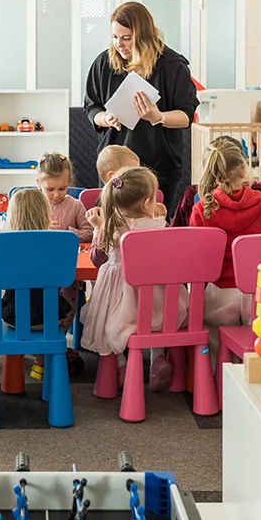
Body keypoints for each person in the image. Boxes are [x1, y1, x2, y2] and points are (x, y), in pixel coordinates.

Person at [83, 2, 199, 214]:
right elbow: (91, 107)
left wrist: (158, 116)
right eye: (114, 37)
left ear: (144, 34)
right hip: (115, 166)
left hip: (158, 165)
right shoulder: (104, 63)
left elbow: (186, 115)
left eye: (126, 38)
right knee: (112, 226)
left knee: (153, 228)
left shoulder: (171, 65)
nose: (119, 44)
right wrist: (105, 117)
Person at [82, 167, 187, 392]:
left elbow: (97, 259)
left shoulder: (111, 227)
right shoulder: (159, 224)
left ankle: (120, 365)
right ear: (149, 201)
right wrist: (161, 217)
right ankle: (158, 356)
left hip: (122, 303)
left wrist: (97, 229)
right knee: (158, 324)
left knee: (109, 329)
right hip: (160, 303)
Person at [190, 137, 261, 327]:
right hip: (260, 291)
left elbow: (196, 258)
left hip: (220, 293)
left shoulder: (201, 209)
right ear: (243, 169)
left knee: (214, 344)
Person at [1, 189, 77, 378]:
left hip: (13, 318)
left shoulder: (3, 245)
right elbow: (65, 279)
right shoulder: (57, 243)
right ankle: (41, 362)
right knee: (54, 300)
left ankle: (15, 370)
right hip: (51, 318)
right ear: (46, 213)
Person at [37, 152, 91, 243]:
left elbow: (89, 234)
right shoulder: (35, 205)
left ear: (69, 182)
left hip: (69, 252)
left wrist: (67, 232)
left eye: (62, 188)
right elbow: (23, 233)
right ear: (38, 183)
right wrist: (43, 230)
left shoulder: (75, 205)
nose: (56, 194)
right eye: (50, 189)